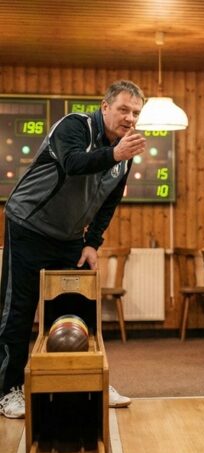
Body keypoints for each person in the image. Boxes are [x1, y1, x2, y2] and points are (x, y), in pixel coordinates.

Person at [0, 80, 146, 419]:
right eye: (124, 109)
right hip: (28, 226)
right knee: (18, 312)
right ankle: (7, 391)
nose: (130, 118)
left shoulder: (124, 153)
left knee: (77, 311)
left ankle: (89, 381)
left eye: (136, 113)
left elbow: (109, 202)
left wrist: (93, 242)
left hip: (69, 239)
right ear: (105, 107)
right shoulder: (74, 125)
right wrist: (115, 153)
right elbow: (73, 163)